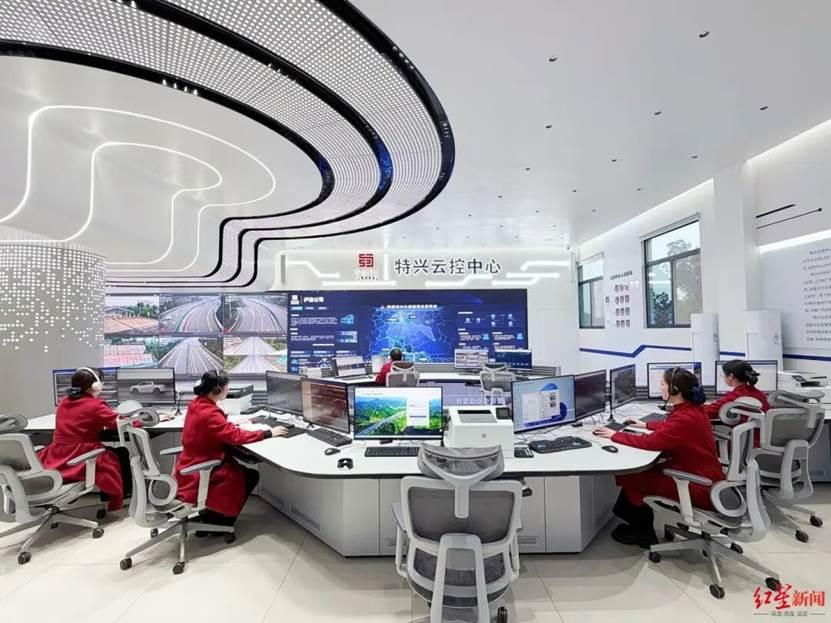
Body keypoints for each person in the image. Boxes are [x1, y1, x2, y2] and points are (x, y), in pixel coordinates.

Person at [594, 368, 724, 548]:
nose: (660, 387)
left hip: (697, 484)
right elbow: (671, 427)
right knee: (640, 472)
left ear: (674, 390)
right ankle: (636, 521)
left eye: (662, 384)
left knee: (632, 475)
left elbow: (651, 442)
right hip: (704, 474)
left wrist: (614, 435)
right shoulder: (692, 409)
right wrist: (646, 425)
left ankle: (643, 533)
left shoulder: (684, 418)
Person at [174, 370, 287, 532]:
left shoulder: (197, 403)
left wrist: (230, 424)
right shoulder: (210, 413)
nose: (228, 390)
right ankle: (220, 523)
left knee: (241, 470)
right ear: (218, 389)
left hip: (190, 465)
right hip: (202, 469)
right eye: (227, 387)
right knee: (249, 476)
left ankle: (211, 518)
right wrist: (267, 433)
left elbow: (212, 427)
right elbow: (234, 436)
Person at [38, 367, 134, 511]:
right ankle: (116, 500)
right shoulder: (96, 405)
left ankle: (112, 498)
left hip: (57, 456)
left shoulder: (63, 402)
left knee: (113, 452)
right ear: (96, 385)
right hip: (81, 455)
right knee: (120, 453)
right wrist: (144, 418)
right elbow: (119, 423)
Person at [704, 359, 770, 419]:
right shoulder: (761, 395)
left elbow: (707, 412)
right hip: (760, 428)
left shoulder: (733, 397)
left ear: (730, 376)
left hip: (743, 429)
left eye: (724, 374)